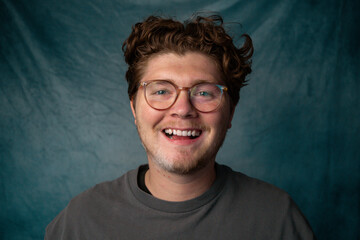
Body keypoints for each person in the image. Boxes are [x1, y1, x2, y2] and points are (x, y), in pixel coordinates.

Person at [45, 14, 316, 239]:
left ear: (230, 112)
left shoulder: (278, 219)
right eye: (161, 91)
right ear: (134, 110)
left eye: (204, 93)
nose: (183, 109)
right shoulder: (79, 222)